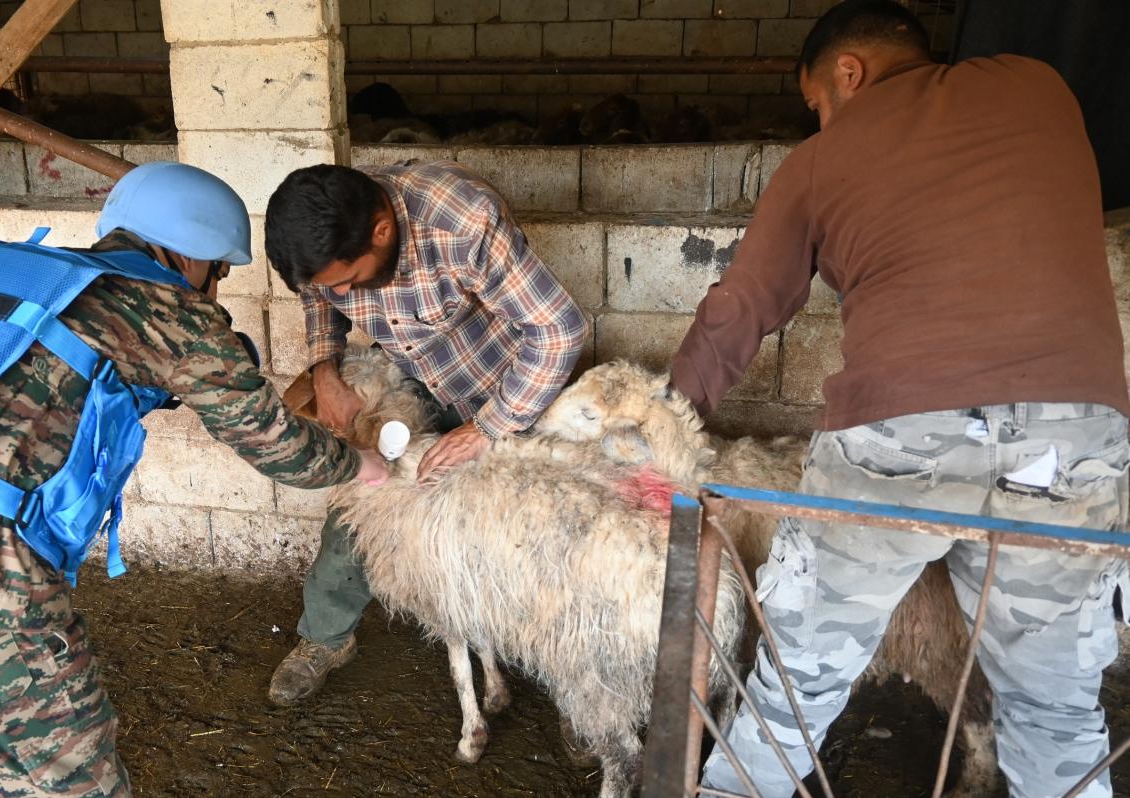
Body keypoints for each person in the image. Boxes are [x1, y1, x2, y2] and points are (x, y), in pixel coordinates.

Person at [0, 161, 389, 797]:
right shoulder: (169, 309)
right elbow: (280, 446)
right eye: (220, 274)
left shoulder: (27, 278)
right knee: (68, 785)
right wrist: (362, 464)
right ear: (194, 257)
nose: (213, 292)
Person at [667, 3, 1130, 796]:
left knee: (794, 687)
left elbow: (741, 309)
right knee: (1054, 710)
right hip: (1077, 442)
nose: (821, 119)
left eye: (816, 102)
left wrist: (665, 424)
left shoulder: (821, 159)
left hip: (900, 438)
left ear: (848, 73)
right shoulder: (1041, 86)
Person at [261, 160, 589, 706]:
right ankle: (326, 635)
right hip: (414, 384)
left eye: (347, 280)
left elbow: (559, 330)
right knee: (366, 501)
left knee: (537, 536)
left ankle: (573, 684)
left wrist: (487, 427)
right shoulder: (328, 237)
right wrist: (324, 366)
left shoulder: (462, 220)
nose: (339, 292)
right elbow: (317, 294)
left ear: (382, 231)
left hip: (510, 388)